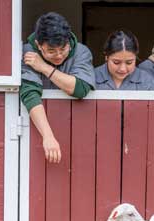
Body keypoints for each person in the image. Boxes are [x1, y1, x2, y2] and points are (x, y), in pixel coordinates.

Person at [21, 12, 96, 163]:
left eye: (63, 49)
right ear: (38, 45)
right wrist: (47, 136)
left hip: (78, 128)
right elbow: (30, 93)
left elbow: (80, 88)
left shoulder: (81, 51)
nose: (58, 55)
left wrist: (44, 67)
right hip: (38, 129)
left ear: (68, 41)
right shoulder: (27, 52)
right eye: (51, 51)